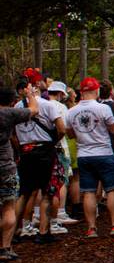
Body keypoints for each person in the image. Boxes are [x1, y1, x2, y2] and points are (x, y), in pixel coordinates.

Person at [64, 77, 114, 241]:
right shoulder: (103, 108)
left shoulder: (71, 111)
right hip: (104, 152)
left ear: (81, 92)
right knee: (112, 189)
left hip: (84, 154)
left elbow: (69, 133)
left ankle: (91, 228)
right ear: (96, 90)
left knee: (89, 191)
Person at [13, 79, 67, 243]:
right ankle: (43, 232)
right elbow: (61, 129)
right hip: (45, 151)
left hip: (26, 151)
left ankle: (14, 231)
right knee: (47, 192)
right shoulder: (48, 105)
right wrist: (53, 142)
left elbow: (13, 134)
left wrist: (20, 148)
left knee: (24, 193)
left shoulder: (17, 108)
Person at [2, 86, 39, 263]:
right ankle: (5, 248)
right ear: (10, 101)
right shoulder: (8, 114)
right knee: (8, 206)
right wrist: (31, 94)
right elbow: (34, 110)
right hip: (5, 166)